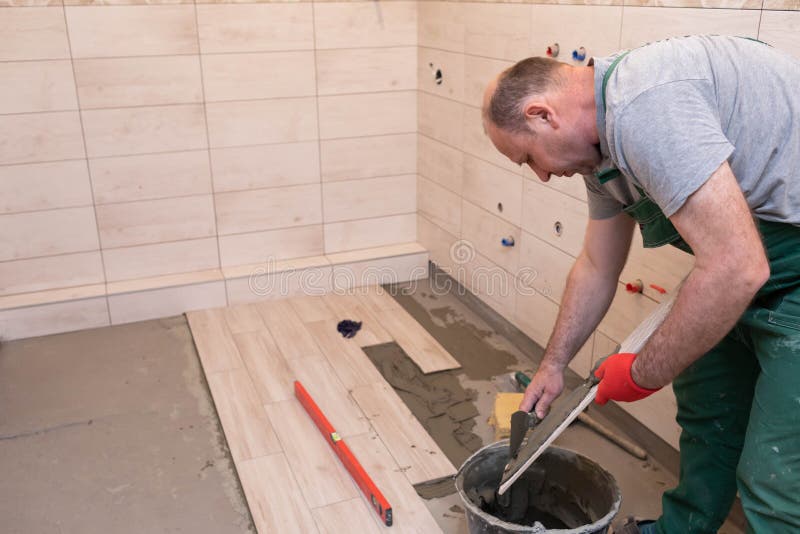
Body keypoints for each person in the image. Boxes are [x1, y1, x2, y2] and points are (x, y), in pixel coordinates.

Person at [482, 35, 800, 534]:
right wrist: (554, 364)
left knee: (775, 471)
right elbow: (596, 264)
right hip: (745, 261)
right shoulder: (602, 152)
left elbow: (738, 268)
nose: (541, 176)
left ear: (543, 115)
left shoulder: (645, 108)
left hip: (781, 266)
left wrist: (642, 373)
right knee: (707, 415)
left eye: (528, 159)